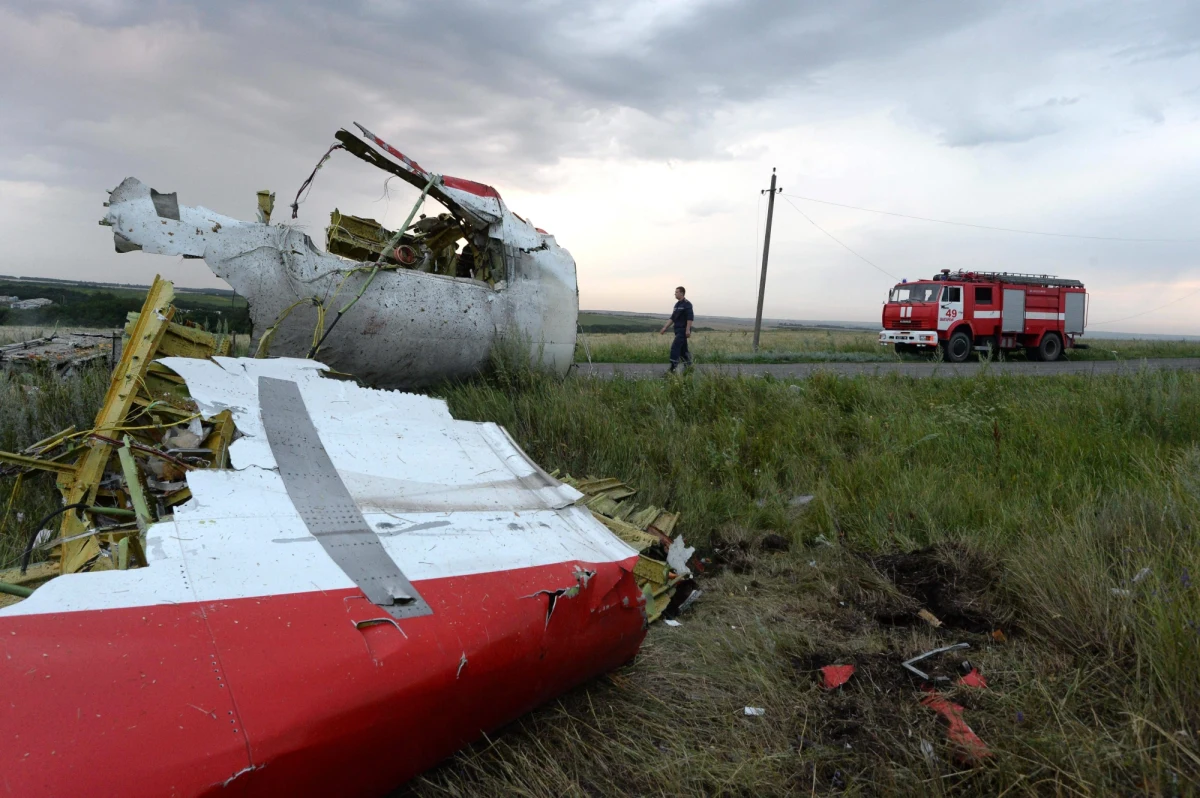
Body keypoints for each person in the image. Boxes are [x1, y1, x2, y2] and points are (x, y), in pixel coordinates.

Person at [659, 286, 693, 372]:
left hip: (683, 330)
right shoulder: (677, 304)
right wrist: (665, 327)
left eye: (677, 292)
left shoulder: (687, 304)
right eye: (675, 292)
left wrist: (688, 329)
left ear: (682, 293)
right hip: (677, 330)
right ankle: (689, 366)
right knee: (683, 350)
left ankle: (673, 368)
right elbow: (673, 318)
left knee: (675, 347)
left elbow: (690, 318)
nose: (675, 294)